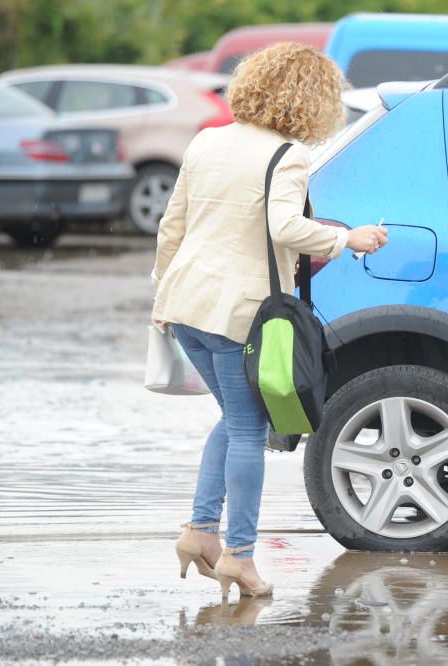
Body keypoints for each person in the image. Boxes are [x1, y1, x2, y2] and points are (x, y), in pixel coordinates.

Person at [150, 42, 388, 598]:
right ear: (311, 102)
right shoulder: (287, 156)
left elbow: (171, 227)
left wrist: (161, 295)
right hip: (237, 314)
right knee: (247, 429)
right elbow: (285, 228)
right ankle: (239, 553)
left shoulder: (208, 141)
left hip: (188, 305)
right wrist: (347, 238)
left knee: (235, 420)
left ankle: (200, 532)